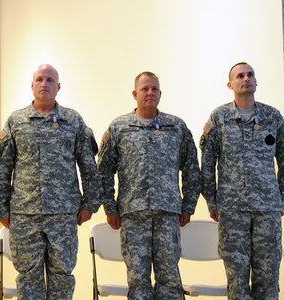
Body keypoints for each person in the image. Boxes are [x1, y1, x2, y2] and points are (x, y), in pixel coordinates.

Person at [0, 64, 102, 299]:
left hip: (63, 214)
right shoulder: (16, 121)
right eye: (39, 79)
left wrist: (90, 204)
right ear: (32, 85)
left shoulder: (72, 121)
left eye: (50, 80)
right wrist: (1, 208)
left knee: (62, 277)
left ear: (58, 87)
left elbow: (88, 166)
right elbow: (3, 168)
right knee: (28, 278)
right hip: (24, 214)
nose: (44, 84)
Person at [98, 71, 201, 300]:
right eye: (145, 89)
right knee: (137, 280)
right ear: (135, 94)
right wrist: (110, 207)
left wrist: (189, 205)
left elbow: (192, 167)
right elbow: (104, 171)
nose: (150, 93)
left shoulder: (176, 127)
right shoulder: (119, 128)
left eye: (154, 89)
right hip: (133, 214)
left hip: (168, 213)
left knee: (170, 279)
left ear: (160, 94)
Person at [200, 62, 284, 299]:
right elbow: (207, 162)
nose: (246, 79)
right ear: (230, 84)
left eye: (250, 75)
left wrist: (281, 198)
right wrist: (212, 201)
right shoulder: (220, 118)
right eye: (240, 76)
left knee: (268, 279)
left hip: (267, 210)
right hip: (232, 209)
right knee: (237, 280)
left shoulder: (272, 116)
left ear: (256, 81)